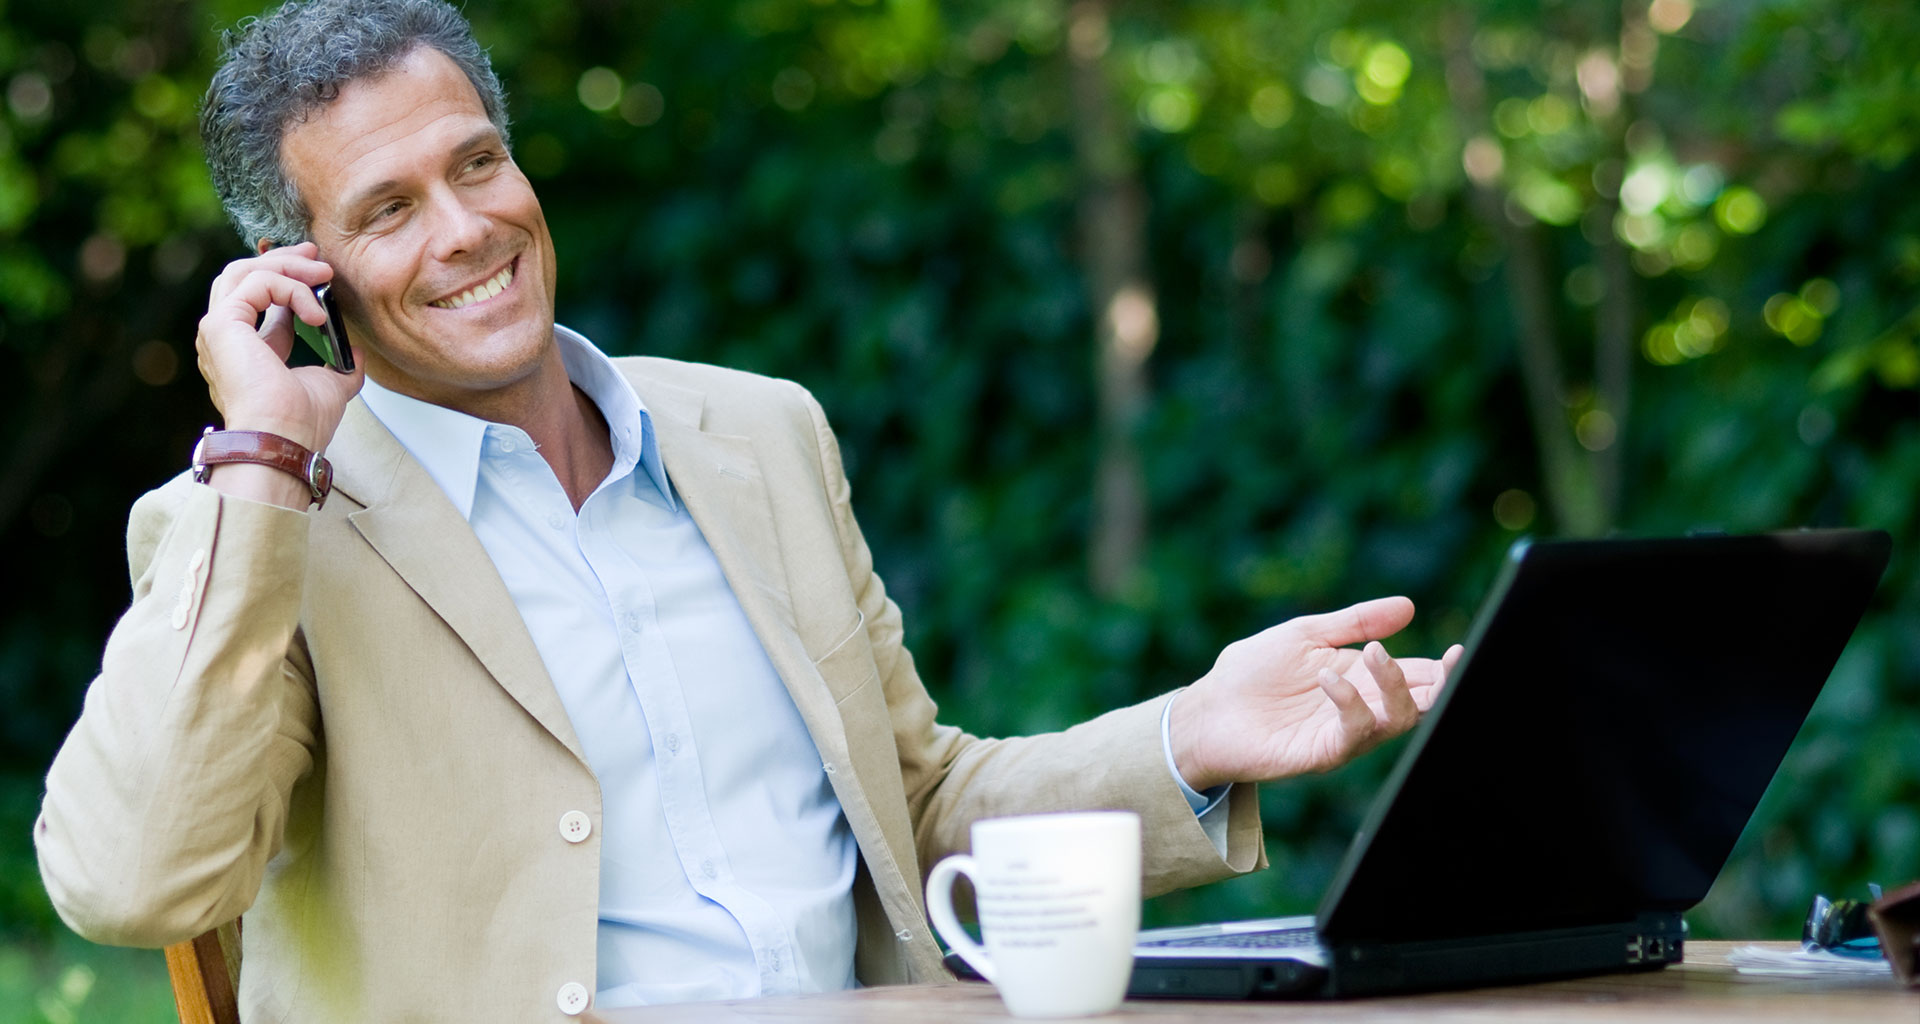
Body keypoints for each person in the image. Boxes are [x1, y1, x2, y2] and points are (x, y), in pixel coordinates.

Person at [35, 1, 1460, 1019]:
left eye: (477, 163)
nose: (467, 229)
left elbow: (917, 812)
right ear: (303, 278)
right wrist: (264, 462)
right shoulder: (260, 521)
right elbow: (131, 882)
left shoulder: (755, 434)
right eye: (388, 210)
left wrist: (1190, 735)